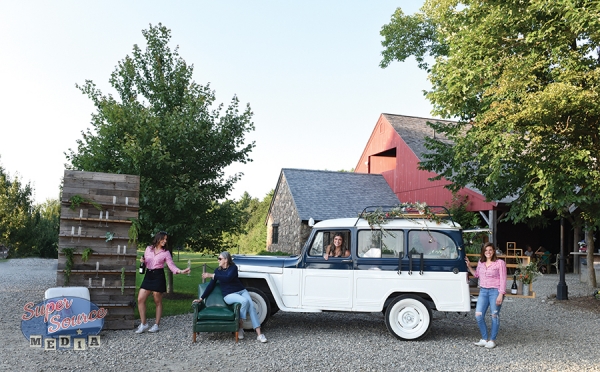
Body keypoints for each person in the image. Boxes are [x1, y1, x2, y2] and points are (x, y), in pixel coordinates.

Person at [193, 251, 267, 343]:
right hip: (229, 295)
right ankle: (240, 326)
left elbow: (228, 278)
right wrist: (201, 298)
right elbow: (210, 286)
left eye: (220, 259)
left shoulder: (233, 268)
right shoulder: (217, 271)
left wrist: (212, 275)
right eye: (218, 258)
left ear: (226, 260)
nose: (218, 260)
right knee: (244, 301)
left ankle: (259, 334)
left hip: (241, 291)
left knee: (251, 307)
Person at [136, 231, 190, 334]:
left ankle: (156, 325)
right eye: (163, 239)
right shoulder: (148, 249)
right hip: (149, 275)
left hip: (158, 276)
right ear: (158, 238)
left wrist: (180, 271)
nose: (165, 241)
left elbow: (171, 265)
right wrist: (143, 262)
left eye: (166, 239)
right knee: (140, 299)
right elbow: (147, 262)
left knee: (157, 301)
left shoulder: (166, 252)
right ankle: (144, 324)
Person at [464, 242, 507, 349]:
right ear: (483, 252)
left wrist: (501, 294)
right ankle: (484, 339)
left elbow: (503, 279)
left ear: (494, 251)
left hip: (495, 291)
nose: (488, 252)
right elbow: (477, 275)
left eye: (490, 250)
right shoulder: (481, 262)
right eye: (486, 250)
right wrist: (469, 267)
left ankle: (492, 340)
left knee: (494, 315)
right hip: (483, 291)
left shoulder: (499, 263)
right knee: (478, 315)